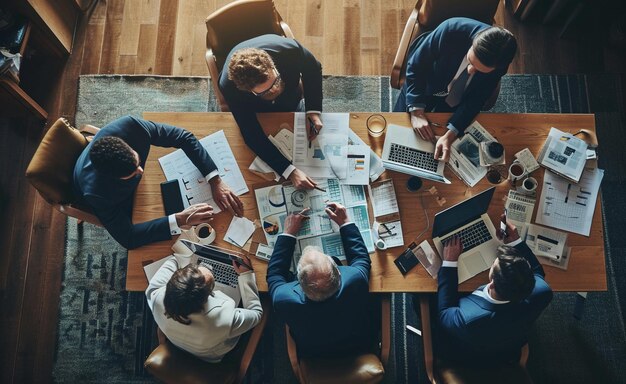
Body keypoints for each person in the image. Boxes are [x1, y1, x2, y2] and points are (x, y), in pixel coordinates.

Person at [73, 116, 244, 249]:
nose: (140, 171)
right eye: (132, 173)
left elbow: (183, 137)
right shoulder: (97, 193)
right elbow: (129, 238)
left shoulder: (131, 126)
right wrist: (180, 219)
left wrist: (214, 179)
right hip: (112, 198)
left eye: (137, 161)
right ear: (115, 178)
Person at [394, 17, 517, 162]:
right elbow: (416, 66)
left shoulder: (500, 62)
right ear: (473, 41)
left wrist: (450, 135)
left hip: (458, 97)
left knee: (436, 138)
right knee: (396, 131)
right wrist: (416, 112)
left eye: (480, 71)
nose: (470, 70)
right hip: (424, 84)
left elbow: (478, 97)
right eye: (470, 62)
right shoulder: (451, 29)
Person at [435, 216, 553, 365]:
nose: (493, 261)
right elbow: (537, 273)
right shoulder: (542, 293)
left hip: (466, 355)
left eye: (493, 264)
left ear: (490, 284)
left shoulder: (469, 319)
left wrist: (450, 262)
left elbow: (444, 313)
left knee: (423, 297)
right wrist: (516, 241)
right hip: (509, 349)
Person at [267, 203, 374, 357]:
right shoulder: (355, 280)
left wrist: (288, 233)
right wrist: (345, 223)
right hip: (360, 343)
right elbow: (361, 259)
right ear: (338, 270)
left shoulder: (283, 299)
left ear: (298, 283)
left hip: (313, 353)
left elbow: (274, 274)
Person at [219, 34, 323, 190]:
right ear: (248, 91)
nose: (275, 89)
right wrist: (290, 171)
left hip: (292, 94)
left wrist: (313, 111)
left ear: (272, 64)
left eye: (275, 81)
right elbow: (250, 132)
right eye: (265, 91)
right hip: (259, 110)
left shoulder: (290, 50)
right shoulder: (229, 87)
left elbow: (313, 69)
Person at [145, 257, 262, 362]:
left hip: (177, 342)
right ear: (207, 296)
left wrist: (184, 276)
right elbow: (256, 313)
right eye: (210, 285)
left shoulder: (156, 296)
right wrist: (246, 275)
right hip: (210, 356)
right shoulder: (225, 320)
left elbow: (173, 260)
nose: (207, 268)